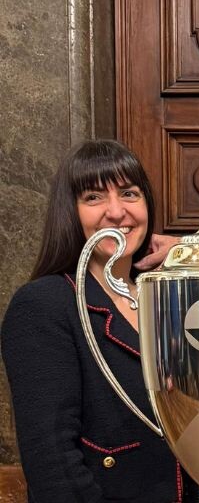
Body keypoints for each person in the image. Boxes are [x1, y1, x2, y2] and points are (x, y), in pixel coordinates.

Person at [1, 140, 186, 502]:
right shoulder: (43, 305)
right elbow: (53, 467)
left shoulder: (168, 296)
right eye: (94, 197)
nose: (116, 212)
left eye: (129, 193)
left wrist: (195, 252)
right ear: (69, 212)